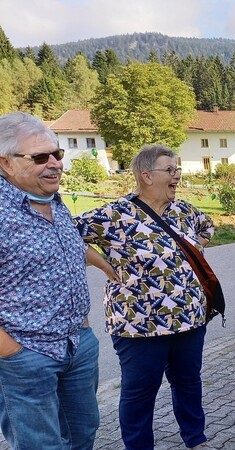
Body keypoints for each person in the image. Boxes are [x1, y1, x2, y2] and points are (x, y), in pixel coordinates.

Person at [75, 144, 216, 450]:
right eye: (170, 170)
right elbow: (68, 235)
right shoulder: (116, 214)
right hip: (139, 325)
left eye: (177, 169)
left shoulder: (184, 210)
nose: (177, 175)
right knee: (140, 393)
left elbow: (208, 226)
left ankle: (196, 439)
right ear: (146, 175)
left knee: (188, 382)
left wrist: (197, 246)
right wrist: (103, 263)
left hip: (190, 317)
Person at [0, 111, 100, 449]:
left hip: (77, 346)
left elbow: (68, 257)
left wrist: (84, 327)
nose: (54, 163)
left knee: (83, 435)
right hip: (26, 357)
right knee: (41, 445)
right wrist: (12, 352)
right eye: (40, 157)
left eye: (57, 153)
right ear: (7, 163)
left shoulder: (54, 202)